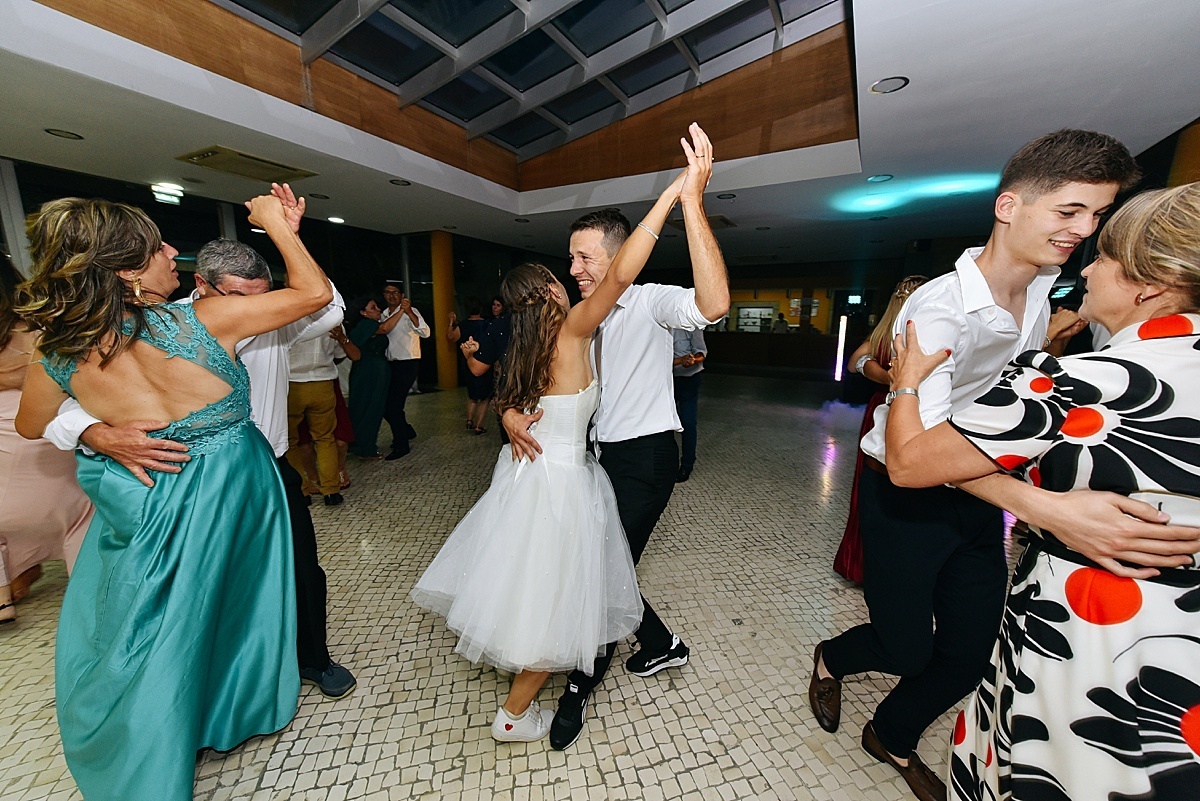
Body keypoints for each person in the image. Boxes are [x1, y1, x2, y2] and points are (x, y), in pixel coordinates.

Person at [809, 129, 1141, 801]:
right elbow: (912, 459)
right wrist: (1046, 507)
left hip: (978, 494)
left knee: (969, 651)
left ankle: (891, 734)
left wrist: (1053, 344)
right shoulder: (941, 309)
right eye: (1070, 211)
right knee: (906, 649)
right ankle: (831, 657)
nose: (1085, 230)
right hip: (904, 496)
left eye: (1097, 214)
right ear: (1009, 206)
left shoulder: (1042, 285)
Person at [884, 181, 1200, 801]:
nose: (1088, 264)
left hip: (1087, 632)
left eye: (1103, 254)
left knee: (1059, 764)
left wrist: (908, 382)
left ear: (1150, 285)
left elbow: (909, 460)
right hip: (1179, 640)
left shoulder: (1084, 381)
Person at [13, 190, 327, 801]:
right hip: (234, 484)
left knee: (155, 617)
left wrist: (94, 430)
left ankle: (183, 722)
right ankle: (179, 736)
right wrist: (277, 227)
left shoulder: (57, 351)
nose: (171, 252)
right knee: (229, 603)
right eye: (157, 247)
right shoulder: (205, 320)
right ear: (127, 271)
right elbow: (313, 294)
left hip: (153, 493)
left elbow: (31, 425)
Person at [412, 159, 690, 743]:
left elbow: (509, 397)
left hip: (526, 482)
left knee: (530, 582)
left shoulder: (525, 347)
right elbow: (621, 275)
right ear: (549, 292)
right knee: (565, 593)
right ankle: (516, 713)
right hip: (563, 483)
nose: (570, 273)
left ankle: (636, 649)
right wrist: (668, 199)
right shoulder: (572, 330)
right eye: (560, 270)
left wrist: (509, 414)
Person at [44, 194, 357, 701]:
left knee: (297, 569)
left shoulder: (266, 320)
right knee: (197, 590)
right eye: (235, 293)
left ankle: (312, 661)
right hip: (176, 476)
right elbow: (59, 401)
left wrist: (292, 237)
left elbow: (326, 304)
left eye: (258, 294)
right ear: (204, 286)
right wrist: (93, 431)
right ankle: (213, 684)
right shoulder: (160, 323)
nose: (171, 251)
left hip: (266, 468)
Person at [503, 123, 730, 751]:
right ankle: (660, 643)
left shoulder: (649, 300)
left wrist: (691, 204)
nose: (574, 268)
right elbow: (531, 383)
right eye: (570, 258)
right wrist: (510, 415)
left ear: (617, 252)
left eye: (585, 258)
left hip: (646, 456)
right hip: (592, 460)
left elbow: (714, 305)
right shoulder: (568, 321)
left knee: (596, 576)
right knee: (604, 565)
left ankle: (578, 688)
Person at [0, 257, 93, 624]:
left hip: (10, 481)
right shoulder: (44, 330)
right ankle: (90, 590)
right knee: (88, 500)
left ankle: (4, 594)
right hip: (54, 459)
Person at [833, 276, 928, 584]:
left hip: (884, 408)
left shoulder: (886, 332)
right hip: (904, 409)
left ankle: (863, 563)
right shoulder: (915, 333)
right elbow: (855, 362)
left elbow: (857, 362)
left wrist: (881, 375)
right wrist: (891, 378)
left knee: (879, 485)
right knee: (892, 485)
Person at [287, 321, 347, 505]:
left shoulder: (285, 319)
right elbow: (340, 354)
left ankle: (302, 492)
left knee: (290, 441)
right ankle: (331, 491)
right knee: (325, 438)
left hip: (291, 384)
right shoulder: (332, 319)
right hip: (323, 383)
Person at [379, 281, 429, 460]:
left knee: (394, 405)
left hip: (407, 363)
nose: (391, 295)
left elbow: (425, 332)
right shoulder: (383, 314)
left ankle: (402, 444)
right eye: (388, 292)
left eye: (395, 292)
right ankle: (406, 431)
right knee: (385, 405)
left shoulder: (411, 311)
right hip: (390, 364)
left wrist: (408, 312)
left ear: (402, 296)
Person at [345, 296, 389, 458]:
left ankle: (355, 443)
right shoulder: (368, 325)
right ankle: (366, 447)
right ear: (363, 312)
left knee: (360, 406)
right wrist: (403, 311)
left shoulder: (361, 326)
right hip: (372, 371)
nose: (378, 310)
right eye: (373, 307)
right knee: (372, 408)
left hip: (364, 370)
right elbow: (385, 328)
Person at [447, 299, 492, 434]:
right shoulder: (488, 324)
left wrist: (451, 322)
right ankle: (479, 426)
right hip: (484, 362)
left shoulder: (463, 325)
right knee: (485, 397)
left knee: (472, 394)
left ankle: (469, 420)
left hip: (467, 361)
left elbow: (451, 337)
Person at [671, 326, 707, 482]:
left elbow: (701, 353)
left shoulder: (692, 325)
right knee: (663, 422)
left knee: (687, 422)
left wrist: (692, 360)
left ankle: (687, 464)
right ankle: (666, 461)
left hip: (689, 378)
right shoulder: (662, 322)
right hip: (667, 378)